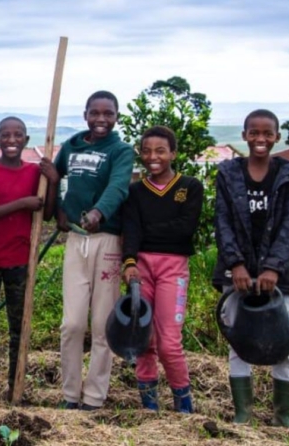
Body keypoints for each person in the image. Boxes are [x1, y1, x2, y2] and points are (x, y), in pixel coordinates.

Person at [213, 109, 289, 428]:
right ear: (244, 136)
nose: (261, 139)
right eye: (254, 133)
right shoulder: (228, 174)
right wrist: (236, 264)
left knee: (283, 343)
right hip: (235, 273)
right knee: (239, 342)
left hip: (280, 278)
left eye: (267, 134)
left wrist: (273, 269)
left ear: (277, 137)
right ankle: (244, 414)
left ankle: (285, 416)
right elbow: (222, 222)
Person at [0, 116, 58, 399]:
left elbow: (49, 213)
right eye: (5, 135)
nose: (11, 140)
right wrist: (22, 204)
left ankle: (15, 387)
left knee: (19, 327)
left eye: (18, 135)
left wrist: (53, 183)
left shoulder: (35, 173)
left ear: (26, 141)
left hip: (20, 260)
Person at [54, 90, 134, 410]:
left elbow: (118, 186)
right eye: (95, 113)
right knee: (72, 323)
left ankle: (94, 397)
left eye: (108, 114)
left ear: (116, 117)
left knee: (102, 324)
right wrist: (59, 208)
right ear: (85, 114)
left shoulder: (120, 150)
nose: (101, 119)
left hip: (108, 242)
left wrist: (99, 212)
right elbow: (53, 175)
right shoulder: (72, 145)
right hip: (76, 240)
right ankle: (70, 394)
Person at [121, 126, 204, 413]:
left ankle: (184, 407)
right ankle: (150, 407)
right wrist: (130, 262)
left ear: (173, 153)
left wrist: (146, 231)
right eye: (146, 151)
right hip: (140, 269)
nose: (152, 156)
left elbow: (185, 229)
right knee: (143, 338)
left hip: (173, 269)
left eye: (160, 151)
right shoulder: (134, 191)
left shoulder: (189, 187)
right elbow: (130, 230)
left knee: (169, 342)